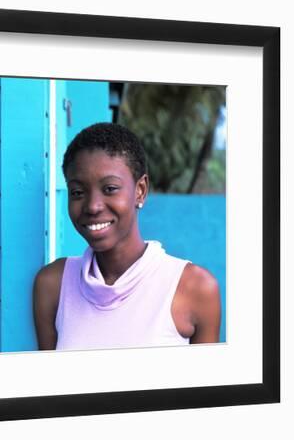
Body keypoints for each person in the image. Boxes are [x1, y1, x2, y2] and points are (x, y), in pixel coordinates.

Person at [33, 123, 221, 350]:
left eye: (110, 188)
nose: (92, 206)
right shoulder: (53, 285)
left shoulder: (195, 288)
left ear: (140, 190)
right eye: (78, 192)